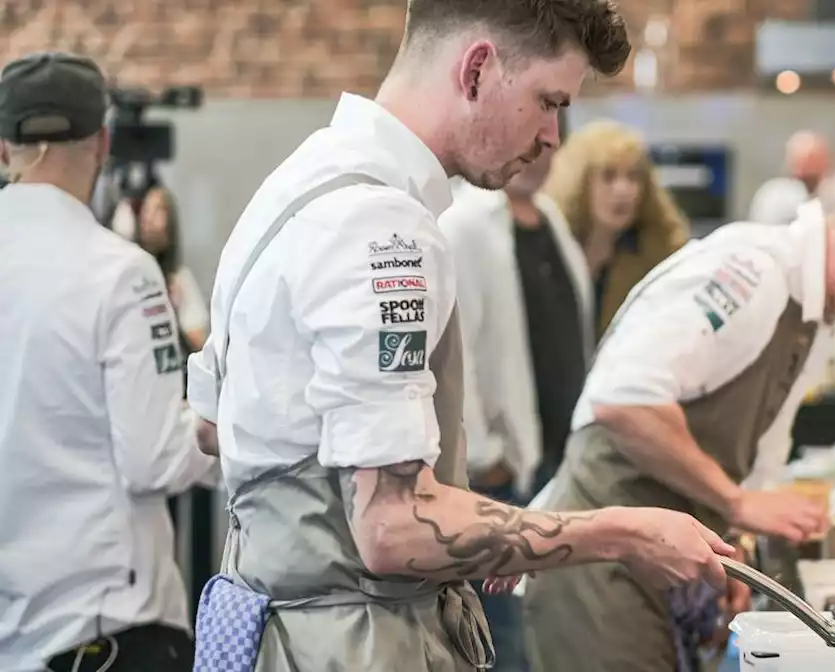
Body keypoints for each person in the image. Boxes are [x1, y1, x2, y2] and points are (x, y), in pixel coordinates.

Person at [184, 2, 733, 671]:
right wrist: (624, 531)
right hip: (351, 645)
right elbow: (393, 527)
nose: (553, 137)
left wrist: (478, 530)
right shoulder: (382, 228)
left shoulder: (297, 183)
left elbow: (214, 431)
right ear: (476, 69)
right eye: (547, 101)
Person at [524, 169, 835, 671]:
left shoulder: (814, 314)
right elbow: (623, 400)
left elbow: (753, 456)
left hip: (657, 567)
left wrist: (734, 551)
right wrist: (736, 501)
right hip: (598, 571)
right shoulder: (751, 271)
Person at [0, 51, 217, 672]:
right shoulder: (120, 272)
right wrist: (227, 429)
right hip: (109, 632)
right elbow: (152, 457)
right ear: (101, 141)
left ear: (2, 147)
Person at [439, 147, 593, 670]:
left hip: (552, 459)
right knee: (505, 643)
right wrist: (486, 454)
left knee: (548, 629)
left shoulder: (550, 219)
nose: (537, 151)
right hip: (501, 473)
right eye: (528, 138)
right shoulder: (465, 224)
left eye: (550, 141)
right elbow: (460, 350)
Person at [540, 118, 689, 338]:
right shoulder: (549, 247)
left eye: (633, 177)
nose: (623, 190)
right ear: (579, 182)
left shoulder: (661, 254)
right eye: (608, 176)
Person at [136, 186, 211, 354]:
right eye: (146, 209)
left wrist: (172, 310)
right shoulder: (130, 274)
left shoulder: (180, 281)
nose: (147, 217)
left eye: (157, 210)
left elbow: (199, 341)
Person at [747, 129, 835, 226]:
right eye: (797, 163)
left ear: (828, 160)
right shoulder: (772, 195)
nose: (802, 171)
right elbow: (762, 235)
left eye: (813, 162)